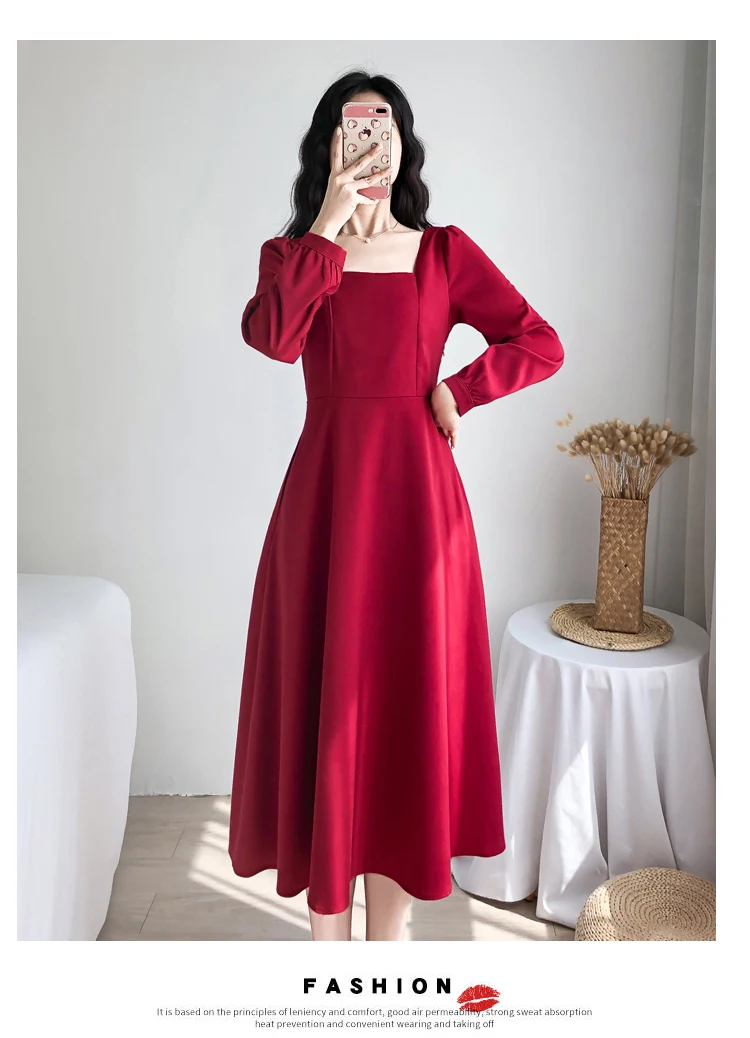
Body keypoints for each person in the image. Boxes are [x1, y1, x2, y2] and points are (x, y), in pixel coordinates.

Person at [228, 70, 564, 942]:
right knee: (327, 706)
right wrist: (327, 225)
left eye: (383, 125)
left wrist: (462, 388)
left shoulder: (444, 252)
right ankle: (327, 948)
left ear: (404, 142)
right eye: (353, 127)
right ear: (328, 145)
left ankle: (387, 950)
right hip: (324, 505)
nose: (370, 138)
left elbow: (540, 340)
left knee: (402, 709)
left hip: (419, 507)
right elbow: (274, 340)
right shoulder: (294, 256)